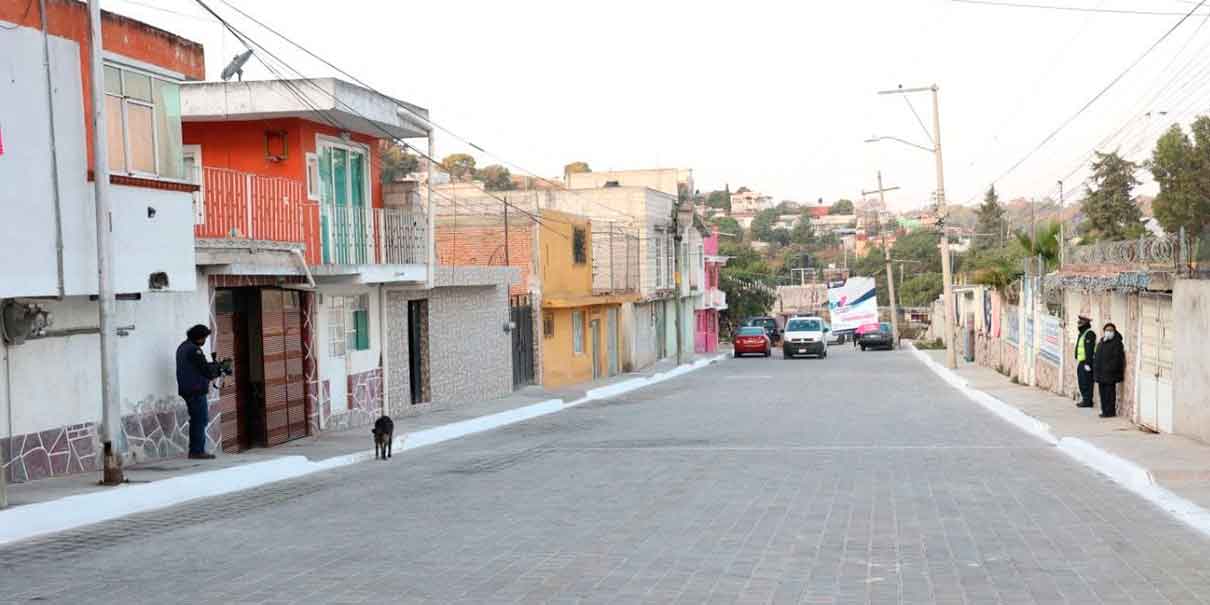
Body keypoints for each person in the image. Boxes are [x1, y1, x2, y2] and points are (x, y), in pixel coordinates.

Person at [176, 324, 223, 459]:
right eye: (204, 338)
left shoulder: (183, 347)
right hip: (195, 390)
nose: (205, 341)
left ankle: (195, 449)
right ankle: (197, 451)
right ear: (199, 337)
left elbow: (196, 367)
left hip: (188, 388)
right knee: (200, 420)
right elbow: (205, 370)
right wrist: (217, 369)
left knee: (196, 419)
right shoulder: (194, 350)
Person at [1092, 322, 1126, 418]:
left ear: (1114, 331)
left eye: (1111, 330)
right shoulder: (1102, 341)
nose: (1108, 332)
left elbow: (1117, 359)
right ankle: (1104, 410)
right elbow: (1098, 355)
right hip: (1101, 373)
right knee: (1102, 393)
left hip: (1110, 374)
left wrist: (1109, 369)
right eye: (1107, 330)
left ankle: (1110, 411)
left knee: (1109, 393)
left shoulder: (1117, 343)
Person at [1074, 315, 1097, 408]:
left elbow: (1089, 349)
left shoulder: (1089, 333)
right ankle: (1085, 399)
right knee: (1082, 381)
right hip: (1081, 361)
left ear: (1086, 323)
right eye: (1078, 322)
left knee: (1086, 382)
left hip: (1087, 362)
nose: (1078, 324)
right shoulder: (1082, 333)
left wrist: (1088, 363)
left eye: (1080, 322)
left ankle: (1087, 401)